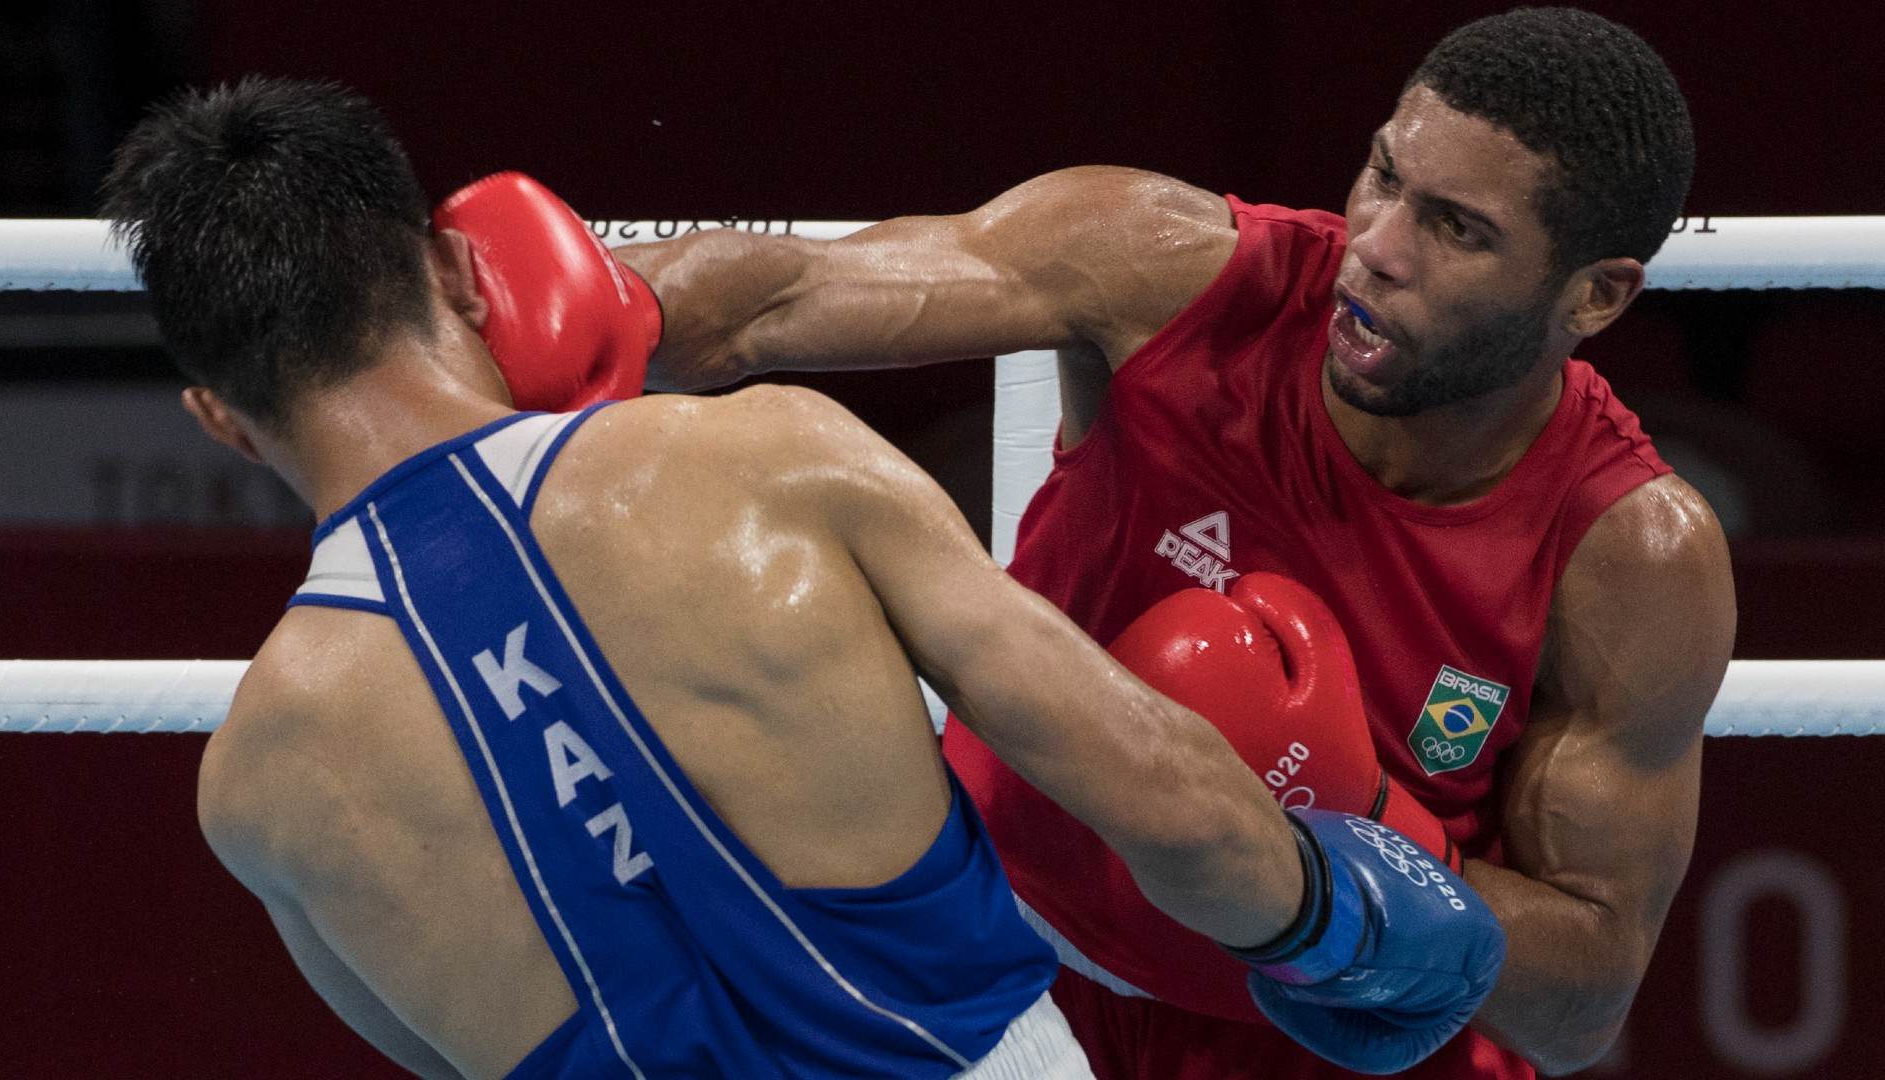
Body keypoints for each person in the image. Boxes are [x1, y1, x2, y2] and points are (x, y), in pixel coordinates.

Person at [103, 79, 1504, 1078]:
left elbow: (436, 1052)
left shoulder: (258, 790)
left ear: (217, 416)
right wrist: (1335, 922)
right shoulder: (763, 460)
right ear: (467, 272)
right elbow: (1160, 793)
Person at [505, 8, 1735, 1078]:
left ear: (1596, 295)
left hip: (1334, 1035)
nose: (1379, 245)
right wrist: (589, 311)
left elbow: (1585, 1001)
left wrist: (1356, 829)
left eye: (1458, 230)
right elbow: (782, 298)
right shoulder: (1172, 274)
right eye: (1383, 174)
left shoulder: (1631, 557)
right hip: (996, 976)